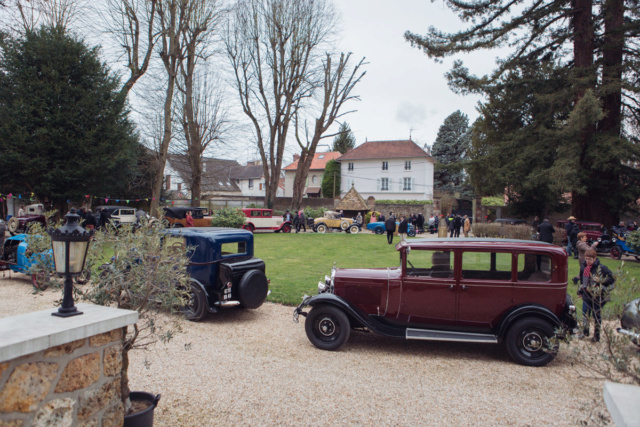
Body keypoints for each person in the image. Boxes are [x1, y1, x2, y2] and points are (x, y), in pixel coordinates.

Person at [577, 249, 615, 342]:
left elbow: (612, 278)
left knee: (596, 316)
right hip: (586, 294)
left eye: (589, 259)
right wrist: (580, 292)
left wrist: (601, 281)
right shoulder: (583, 267)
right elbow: (583, 281)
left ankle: (596, 336)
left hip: (597, 296)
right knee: (585, 314)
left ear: (594, 259)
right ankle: (585, 331)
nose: (587, 261)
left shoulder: (601, 268)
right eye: (586, 259)